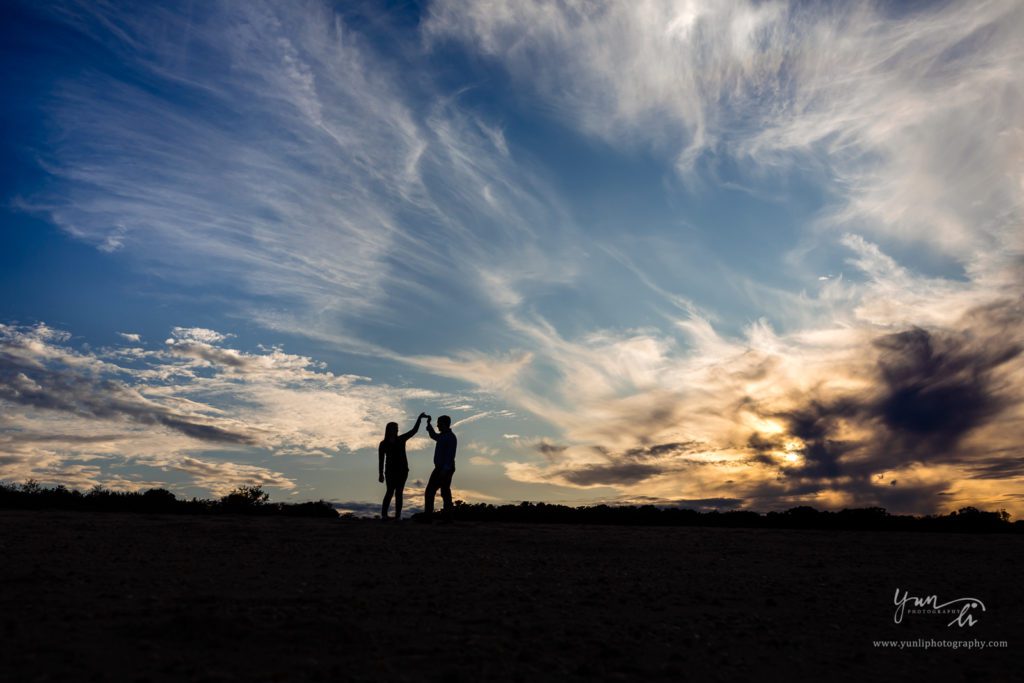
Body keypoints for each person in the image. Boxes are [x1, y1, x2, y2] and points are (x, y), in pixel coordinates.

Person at [378, 412, 428, 521]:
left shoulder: (401, 439)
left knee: (399, 493)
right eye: (395, 428)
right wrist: (380, 474)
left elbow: (413, 431)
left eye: (397, 428)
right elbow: (381, 460)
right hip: (390, 471)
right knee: (390, 491)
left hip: (402, 470)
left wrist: (419, 418)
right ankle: (384, 515)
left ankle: (397, 516)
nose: (397, 430)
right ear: (389, 430)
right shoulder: (383, 444)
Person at [423, 414, 457, 521]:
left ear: (444, 424)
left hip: (445, 468)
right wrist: (429, 425)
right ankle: (440, 517)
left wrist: (444, 470)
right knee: (440, 491)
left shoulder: (450, 437)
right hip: (441, 468)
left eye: (439, 423)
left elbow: (450, 455)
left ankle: (440, 517)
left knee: (437, 491)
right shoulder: (443, 436)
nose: (437, 425)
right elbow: (434, 436)